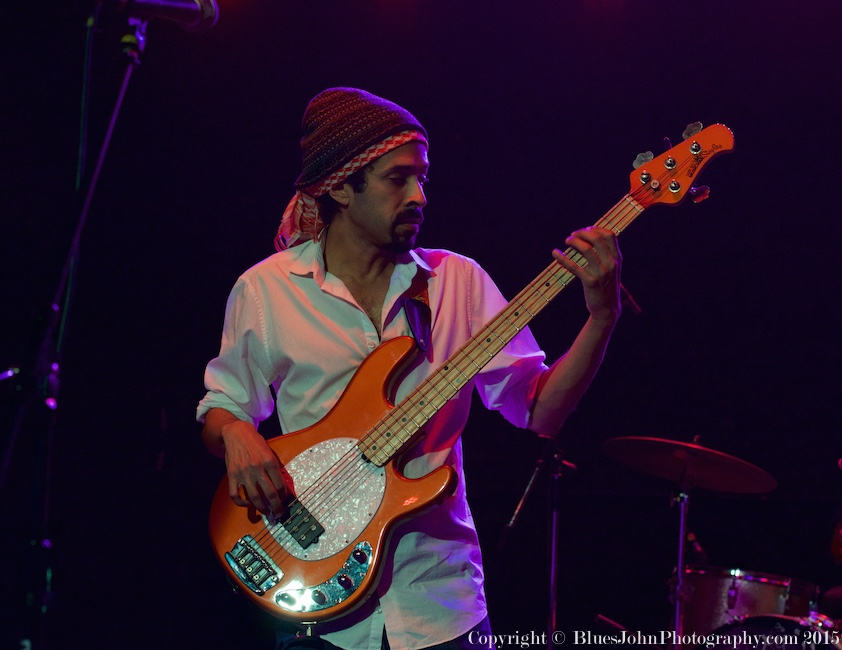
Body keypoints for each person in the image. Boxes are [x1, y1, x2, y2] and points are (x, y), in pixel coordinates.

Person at [197, 87, 622, 650]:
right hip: (316, 604)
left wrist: (601, 316)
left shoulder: (458, 283)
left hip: (440, 604)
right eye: (397, 179)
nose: (419, 195)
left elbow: (540, 411)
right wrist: (237, 434)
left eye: (422, 177)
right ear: (342, 187)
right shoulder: (266, 289)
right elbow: (222, 407)